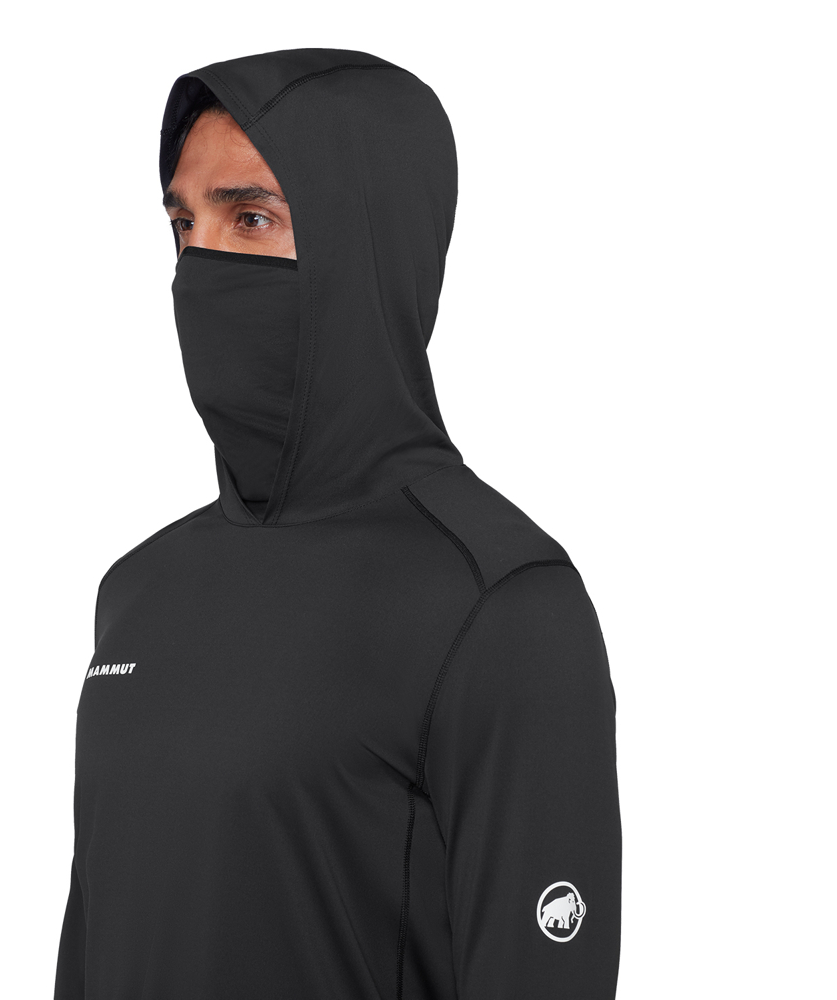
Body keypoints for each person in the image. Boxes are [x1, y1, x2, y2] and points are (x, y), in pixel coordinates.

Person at [54, 47, 621, 1000]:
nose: (200, 268)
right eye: (184, 226)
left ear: (368, 243)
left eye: (252, 218)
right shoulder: (138, 591)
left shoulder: (499, 602)